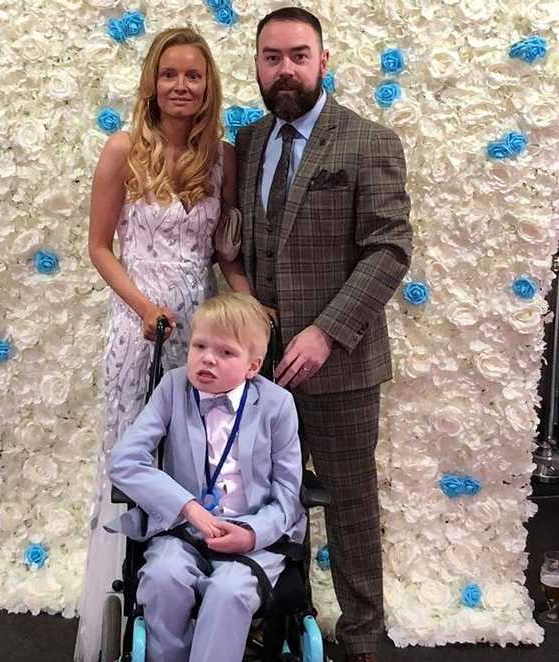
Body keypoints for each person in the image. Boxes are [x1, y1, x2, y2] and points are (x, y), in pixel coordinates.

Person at [233, 8, 413, 661]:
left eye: (299, 56)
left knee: (350, 503)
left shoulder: (369, 141)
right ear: (256, 63)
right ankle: (282, 617)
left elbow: (389, 251)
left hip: (341, 367)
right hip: (258, 372)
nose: (285, 69)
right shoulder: (248, 142)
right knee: (267, 500)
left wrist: (325, 333)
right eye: (272, 56)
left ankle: (364, 633)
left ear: (323, 61)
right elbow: (242, 247)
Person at [74, 27, 251, 662]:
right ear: (152, 81)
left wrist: (247, 303)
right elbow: (99, 246)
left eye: (193, 76)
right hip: (138, 325)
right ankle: (122, 601)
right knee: (135, 460)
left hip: (198, 333)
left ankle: (182, 598)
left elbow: (223, 250)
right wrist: (144, 307)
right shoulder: (123, 149)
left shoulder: (223, 160)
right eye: (170, 74)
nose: (181, 86)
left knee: (193, 458)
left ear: (208, 87)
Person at [106, 293, 306, 662]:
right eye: (200, 345)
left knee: (229, 591)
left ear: (252, 366)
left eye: (226, 352)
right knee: (163, 577)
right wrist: (188, 507)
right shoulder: (173, 388)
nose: (208, 358)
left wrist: (250, 534)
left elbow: (288, 495)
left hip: (253, 535)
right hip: (182, 529)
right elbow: (124, 460)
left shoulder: (277, 404)